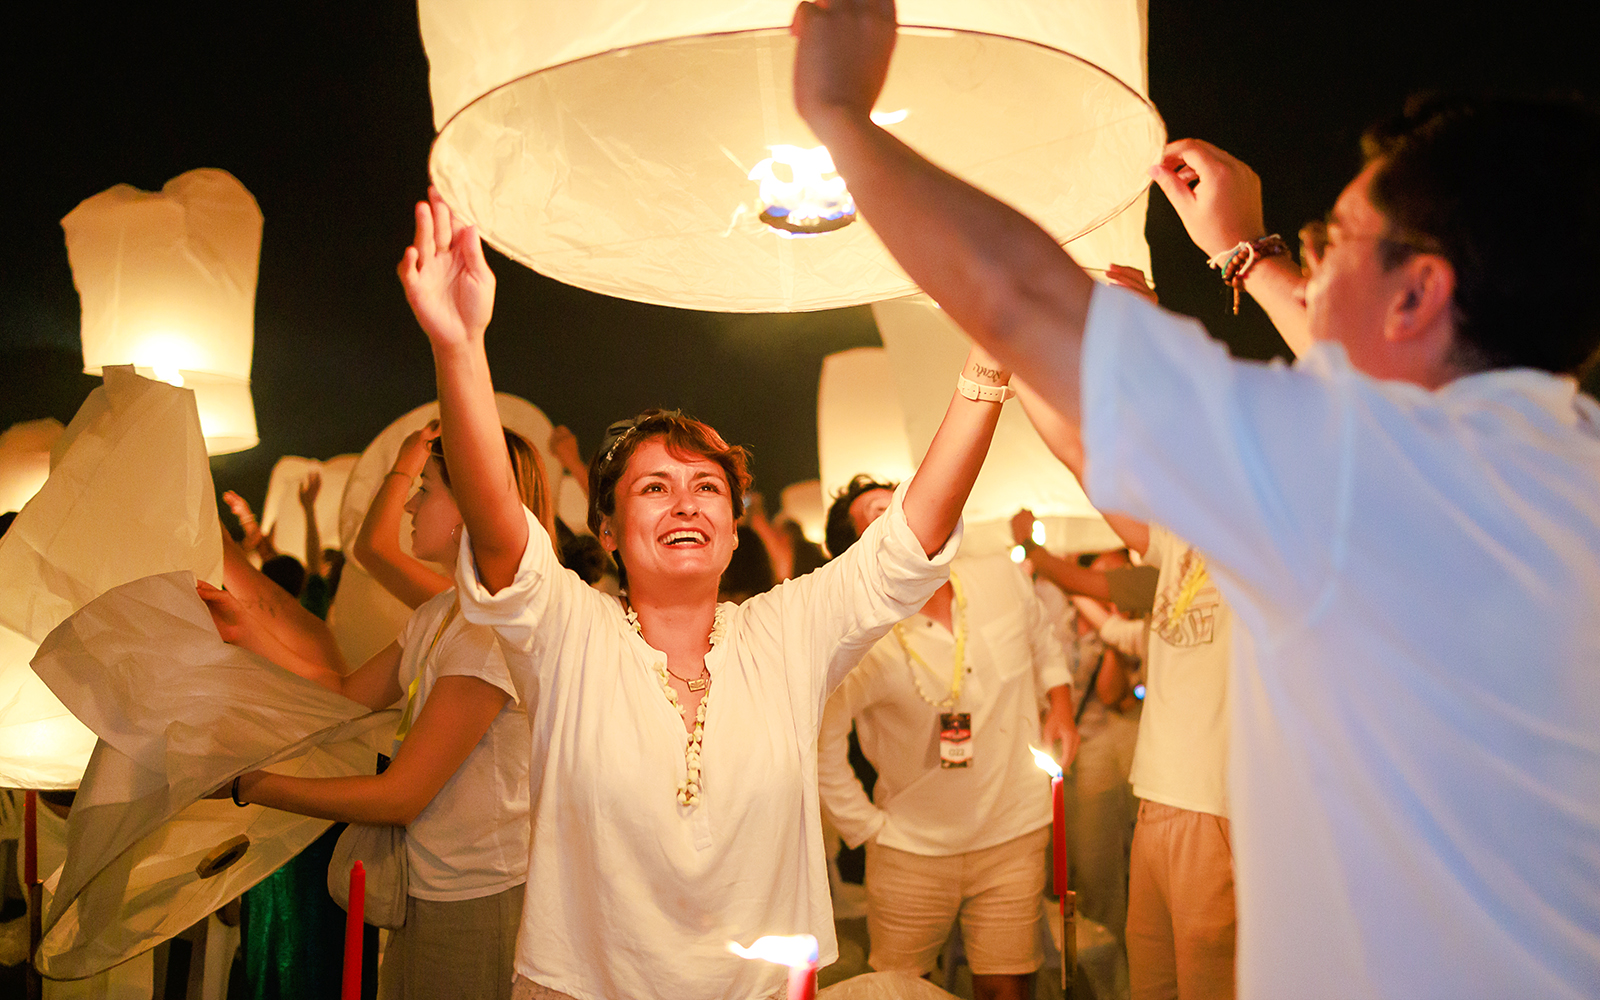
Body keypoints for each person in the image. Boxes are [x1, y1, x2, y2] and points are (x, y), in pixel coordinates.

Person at [791, 8, 1600, 997]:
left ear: (1416, 292)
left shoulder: (1359, 477)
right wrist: (1248, 251)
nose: (1311, 265)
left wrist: (839, 113)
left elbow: (1021, 296)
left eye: (1331, 240)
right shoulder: (1551, 472)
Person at [397, 188, 1008, 1000]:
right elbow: (502, 532)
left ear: (730, 526)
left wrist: (988, 364)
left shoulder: (787, 632)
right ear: (609, 534)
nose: (686, 502)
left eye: (707, 488)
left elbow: (910, 537)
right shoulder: (571, 635)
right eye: (654, 488)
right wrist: (459, 347)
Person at [200, 431, 552, 1000]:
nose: (410, 504)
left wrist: (249, 784)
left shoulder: (491, 635)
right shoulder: (443, 612)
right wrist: (246, 629)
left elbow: (399, 797)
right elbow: (344, 691)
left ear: (471, 509)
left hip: (480, 902)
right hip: (429, 890)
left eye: (424, 488)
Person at [817, 477, 1079, 1000]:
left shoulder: (997, 575)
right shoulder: (860, 635)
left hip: (1014, 831)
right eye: (875, 513)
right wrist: (866, 828)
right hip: (911, 849)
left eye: (901, 500)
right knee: (903, 990)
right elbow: (822, 741)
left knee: (1008, 986)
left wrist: (1062, 706)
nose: (897, 514)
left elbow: (1042, 638)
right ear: (861, 549)